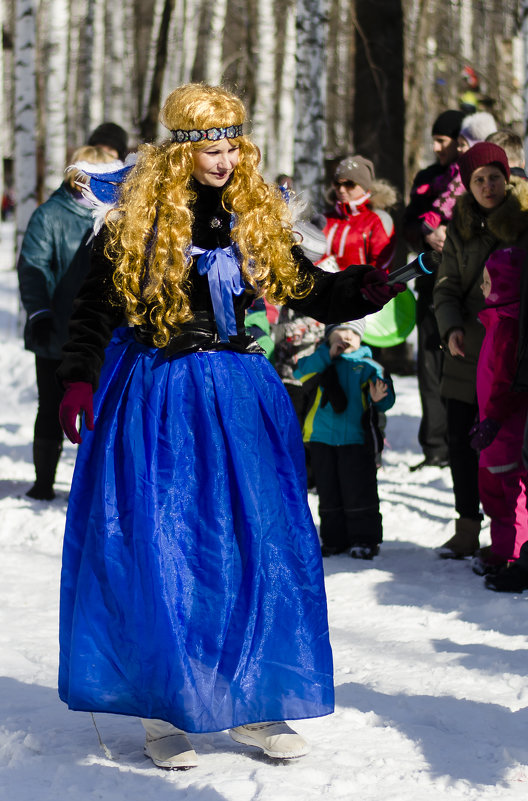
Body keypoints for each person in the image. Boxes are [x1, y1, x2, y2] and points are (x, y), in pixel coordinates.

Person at [56, 83, 403, 769]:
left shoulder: (253, 216)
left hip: (239, 396)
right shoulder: (136, 220)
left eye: (232, 148)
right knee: (165, 543)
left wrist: (362, 288)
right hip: (159, 395)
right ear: (183, 152)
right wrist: (78, 376)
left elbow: (307, 286)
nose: (224, 161)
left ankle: (254, 700)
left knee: (252, 542)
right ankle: (164, 707)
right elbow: (93, 308)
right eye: (212, 149)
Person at [434, 142, 528, 559]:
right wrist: (450, 325)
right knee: (460, 439)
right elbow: (447, 284)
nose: (488, 186)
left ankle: (509, 535)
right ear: (467, 186)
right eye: (478, 179)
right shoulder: (460, 225)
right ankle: (467, 526)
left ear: (507, 178)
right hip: (466, 349)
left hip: (510, 349)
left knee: (505, 447)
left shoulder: (524, 222)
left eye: (494, 176)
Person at [17, 145, 117, 500]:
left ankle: (89, 484)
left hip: (99, 334)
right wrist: (40, 312)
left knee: (98, 408)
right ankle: (44, 481)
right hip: (56, 330)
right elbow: (33, 267)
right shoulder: (50, 216)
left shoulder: (112, 217)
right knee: (52, 406)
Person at [293, 319, 395, 559]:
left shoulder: (367, 365)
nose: (346, 337)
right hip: (321, 437)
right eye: (339, 331)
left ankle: (364, 538)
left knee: (358, 489)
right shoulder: (319, 360)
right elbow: (301, 371)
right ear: (328, 336)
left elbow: (386, 400)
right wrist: (327, 354)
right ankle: (333, 538)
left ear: (361, 339)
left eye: (352, 333)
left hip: (355, 439)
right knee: (328, 491)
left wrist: (380, 397)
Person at [403, 110, 464, 471]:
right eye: (435, 140)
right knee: (429, 363)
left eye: (443, 140)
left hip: (464, 284)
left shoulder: (470, 178)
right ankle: (435, 447)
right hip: (430, 280)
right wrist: (427, 234)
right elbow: (410, 222)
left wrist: (450, 237)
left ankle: (461, 443)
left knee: (458, 361)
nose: (437, 147)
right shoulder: (427, 178)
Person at [470, 249, 528, 576]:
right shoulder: (497, 323)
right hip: (493, 425)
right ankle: (502, 547)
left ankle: (512, 555)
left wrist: (491, 419)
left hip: (504, 429)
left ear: (505, 285)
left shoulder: (507, 328)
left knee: (507, 494)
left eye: (487, 282)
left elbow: (505, 382)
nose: (481, 288)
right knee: (495, 493)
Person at [321, 155, 397, 273]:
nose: (342, 190)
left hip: (360, 289)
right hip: (324, 288)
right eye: (337, 184)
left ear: (364, 186)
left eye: (349, 184)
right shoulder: (325, 218)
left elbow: (381, 265)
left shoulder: (377, 219)